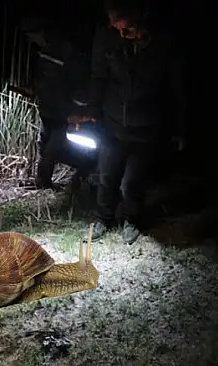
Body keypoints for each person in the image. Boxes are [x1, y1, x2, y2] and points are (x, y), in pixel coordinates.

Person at [73, 0, 186, 244]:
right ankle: (103, 219)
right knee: (106, 176)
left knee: (132, 183)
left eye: (129, 29)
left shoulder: (164, 43)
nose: (122, 35)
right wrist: (92, 110)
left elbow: (177, 88)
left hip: (147, 127)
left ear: (143, 17)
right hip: (112, 123)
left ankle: (131, 220)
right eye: (116, 29)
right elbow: (98, 76)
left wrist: (180, 127)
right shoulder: (107, 37)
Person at [19, 17, 91, 190]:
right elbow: (45, 80)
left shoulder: (66, 52)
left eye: (31, 34)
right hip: (48, 110)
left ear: (40, 31)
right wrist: (33, 89)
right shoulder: (44, 51)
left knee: (55, 150)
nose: (30, 39)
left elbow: (78, 84)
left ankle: (85, 174)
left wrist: (77, 111)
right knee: (45, 147)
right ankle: (43, 182)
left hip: (64, 113)